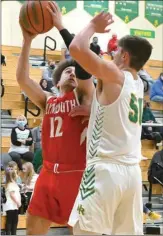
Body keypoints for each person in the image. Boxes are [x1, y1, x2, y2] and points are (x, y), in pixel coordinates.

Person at [67, 11, 153, 235]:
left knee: (83, 231)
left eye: (116, 51)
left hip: (105, 171)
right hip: (132, 174)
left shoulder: (114, 74)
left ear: (124, 56)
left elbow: (76, 48)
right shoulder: (139, 85)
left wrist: (92, 25)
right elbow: (117, 109)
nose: (112, 54)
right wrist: (94, 110)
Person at [16, 3, 94, 234]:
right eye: (66, 72)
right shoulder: (48, 100)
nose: (72, 73)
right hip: (48, 174)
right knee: (33, 231)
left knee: (81, 231)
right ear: (56, 82)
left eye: (74, 72)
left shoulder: (83, 96)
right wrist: (27, 40)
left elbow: (82, 61)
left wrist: (60, 25)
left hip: (76, 174)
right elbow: (22, 79)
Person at [3, 169, 21, 235]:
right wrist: (18, 202)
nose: (17, 175)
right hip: (11, 205)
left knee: (13, 220)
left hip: (13, 205)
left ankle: (13, 233)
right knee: (11, 221)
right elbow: (12, 195)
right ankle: (10, 233)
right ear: (12, 176)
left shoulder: (12, 183)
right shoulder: (11, 184)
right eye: (16, 174)